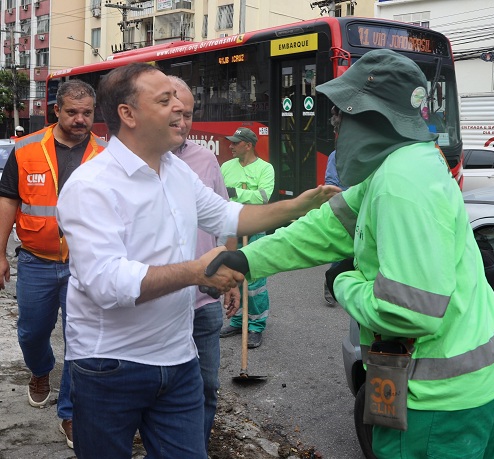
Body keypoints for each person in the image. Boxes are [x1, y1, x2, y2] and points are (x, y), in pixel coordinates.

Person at [204, 49, 494, 458]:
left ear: (371, 116)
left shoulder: (399, 182)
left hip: (440, 401)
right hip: (492, 375)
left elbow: (411, 312)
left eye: (342, 113)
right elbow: (325, 227)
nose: (335, 124)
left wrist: (344, 283)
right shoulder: (405, 162)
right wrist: (249, 260)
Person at [55, 62, 339, 459]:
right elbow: (106, 283)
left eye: (179, 99)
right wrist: (194, 272)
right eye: (165, 99)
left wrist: (297, 206)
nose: (180, 108)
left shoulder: (176, 172)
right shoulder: (90, 186)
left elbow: (230, 215)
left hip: (179, 359)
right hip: (111, 367)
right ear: (128, 114)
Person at [0, 79, 106, 450]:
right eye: (72, 112)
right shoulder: (27, 148)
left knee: (82, 341)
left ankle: (71, 413)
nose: (80, 119)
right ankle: (41, 371)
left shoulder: (106, 154)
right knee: (31, 332)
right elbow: (9, 201)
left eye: (87, 113)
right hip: (36, 261)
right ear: (56, 111)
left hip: (85, 265)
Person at [168, 75, 240, 451]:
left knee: (207, 386)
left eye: (189, 114)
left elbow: (226, 219)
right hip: (159, 305)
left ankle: (194, 449)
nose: (182, 122)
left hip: (205, 299)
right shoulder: (129, 164)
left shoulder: (206, 159)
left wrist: (233, 276)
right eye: (174, 112)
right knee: (162, 392)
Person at [219, 127, 275, 348]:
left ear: (248, 145)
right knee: (233, 277)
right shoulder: (225, 166)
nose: (230, 146)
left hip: (256, 227)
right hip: (232, 229)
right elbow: (219, 195)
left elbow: (263, 197)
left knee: (255, 281)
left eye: (235, 143)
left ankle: (256, 326)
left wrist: (235, 193)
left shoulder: (265, 168)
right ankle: (236, 320)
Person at [323, 105, 348, 305]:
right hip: (345, 211)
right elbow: (332, 185)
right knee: (341, 251)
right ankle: (330, 282)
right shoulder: (335, 157)